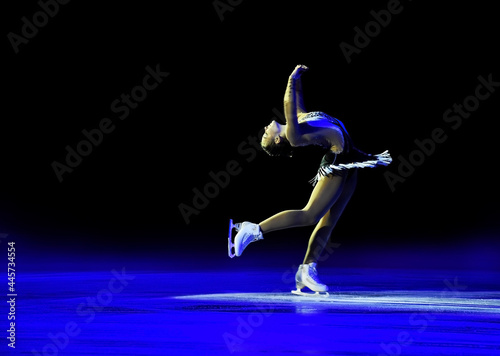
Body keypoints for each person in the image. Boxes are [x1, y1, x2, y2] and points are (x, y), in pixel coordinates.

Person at [228, 65, 392, 295]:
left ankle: (306, 270)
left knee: (328, 220)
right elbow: (287, 103)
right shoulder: (293, 136)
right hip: (336, 160)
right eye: (266, 135)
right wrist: (291, 78)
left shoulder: (298, 116)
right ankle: (252, 229)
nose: (265, 129)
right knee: (310, 214)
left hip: (349, 157)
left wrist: (298, 81)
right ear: (277, 141)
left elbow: (294, 100)